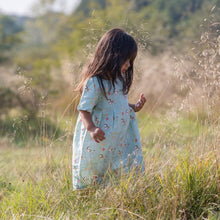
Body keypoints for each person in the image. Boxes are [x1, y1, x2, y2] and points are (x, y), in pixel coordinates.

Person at [72, 28, 146, 189]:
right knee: (95, 166)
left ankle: (116, 192)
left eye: (130, 61)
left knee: (121, 163)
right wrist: (91, 128)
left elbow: (117, 104)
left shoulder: (119, 80)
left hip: (120, 135)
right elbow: (84, 109)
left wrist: (133, 107)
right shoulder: (95, 82)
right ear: (112, 56)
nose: (128, 64)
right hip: (100, 136)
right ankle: (88, 194)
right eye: (126, 60)